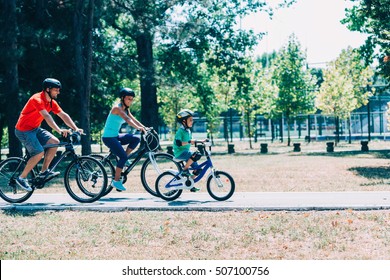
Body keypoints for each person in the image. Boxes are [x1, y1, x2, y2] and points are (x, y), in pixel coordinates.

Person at [14, 78, 84, 192]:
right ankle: (22, 178)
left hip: (35, 129)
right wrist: (59, 130)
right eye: (56, 90)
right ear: (48, 89)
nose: (58, 92)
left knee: (54, 142)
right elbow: (47, 117)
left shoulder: (51, 102)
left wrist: (75, 128)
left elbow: (63, 115)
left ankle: (43, 171)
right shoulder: (37, 99)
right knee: (39, 152)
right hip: (23, 130)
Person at [102, 88, 147, 191]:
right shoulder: (117, 109)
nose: (130, 101)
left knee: (135, 139)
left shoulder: (126, 109)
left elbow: (133, 118)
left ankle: (125, 158)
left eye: (132, 99)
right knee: (122, 157)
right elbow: (127, 119)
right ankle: (116, 181)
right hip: (108, 138)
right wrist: (138, 128)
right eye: (128, 99)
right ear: (122, 98)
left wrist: (144, 127)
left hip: (115, 136)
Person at [173, 109, 205, 192]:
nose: (192, 122)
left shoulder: (188, 131)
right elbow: (179, 143)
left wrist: (202, 141)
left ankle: (189, 183)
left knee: (198, 169)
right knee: (195, 155)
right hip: (180, 153)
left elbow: (191, 141)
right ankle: (184, 170)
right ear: (184, 121)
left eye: (192, 120)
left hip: (186, 153)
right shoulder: (180, 131)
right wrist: (189, 142)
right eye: (190, 120)